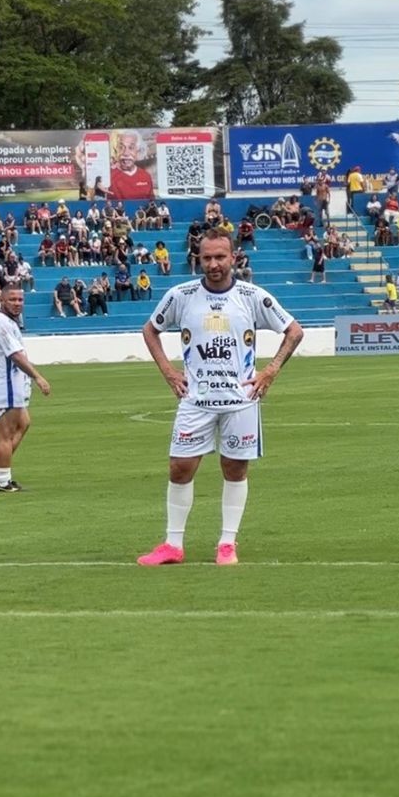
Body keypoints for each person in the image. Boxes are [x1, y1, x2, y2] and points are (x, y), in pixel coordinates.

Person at [137, 228, 305, 566]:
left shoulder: (251, 296)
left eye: (220, 257)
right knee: (180, 467)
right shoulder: (181, 295)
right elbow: (150, 330)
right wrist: (169, 372)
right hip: (195, 400)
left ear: (234, 257)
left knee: (235, 468)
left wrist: (270, 370)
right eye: (207, 258)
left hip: (240, 401)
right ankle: (173, 545)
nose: (213, 264)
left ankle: (227, 544)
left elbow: (294, 331)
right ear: (198, 259)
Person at [0, 284, 51, 492]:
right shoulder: (1, 322)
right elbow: (15, 355)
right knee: (6, 432)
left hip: (11, 381)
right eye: (12, 299)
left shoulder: (6, 321)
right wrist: (38, 377)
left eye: (20, 299)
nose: (17, 303)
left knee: (23, 423)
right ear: (2, 300)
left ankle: (0, 469)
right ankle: (3, 480)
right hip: (5, 383)